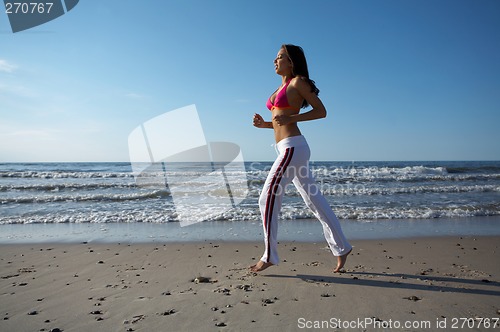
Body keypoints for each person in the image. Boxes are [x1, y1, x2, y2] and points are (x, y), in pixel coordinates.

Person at [250, 44, 352, 273]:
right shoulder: (281, 87)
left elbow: (321, 111)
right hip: (287, 149)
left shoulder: (298, 82)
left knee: (266, 199)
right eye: (275, 57)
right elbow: (280, 121)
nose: (275, 61)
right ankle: (342, 247)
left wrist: (293, 117)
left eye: (279, 57)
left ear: (291, 61)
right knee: (314, 201)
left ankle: (269, 256)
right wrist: (264, 125)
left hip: (293, 149)